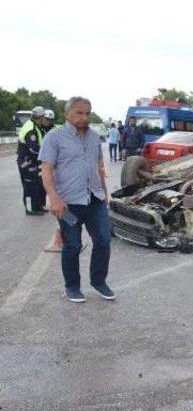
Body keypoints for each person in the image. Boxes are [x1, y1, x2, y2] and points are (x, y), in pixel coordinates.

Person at [39, 97, 115, 303]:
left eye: (87, 113)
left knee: (103, 240)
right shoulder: (54, 137)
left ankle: (99, 281)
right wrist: (53, 198)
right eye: (79, 113)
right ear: (67, 113)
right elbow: (46, 171)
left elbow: (98, 166)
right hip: (68, 203)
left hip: (95, 200)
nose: (84, 117)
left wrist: (105, 192)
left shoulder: (94, 137)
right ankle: (72, 286)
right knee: (72, 245)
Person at [17, 106, 47, 215]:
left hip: (32, 161)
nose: (44, 119)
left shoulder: (36, 126)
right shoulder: (31, 129)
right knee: (29, 186)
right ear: (40, 117)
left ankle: (38, 207)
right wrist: (46, 155)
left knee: (37, 185)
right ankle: (30, 209)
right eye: (44, 117)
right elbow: (34, 149)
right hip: (26, 162)